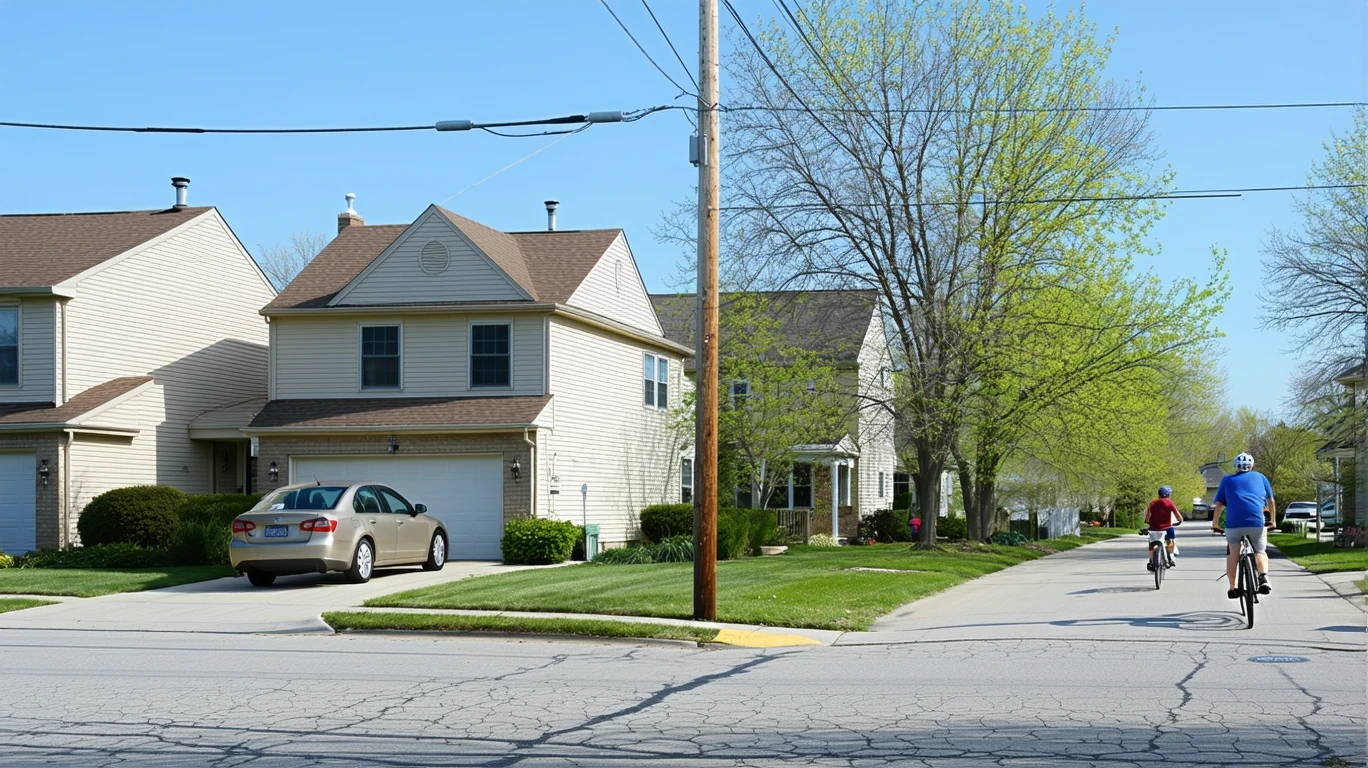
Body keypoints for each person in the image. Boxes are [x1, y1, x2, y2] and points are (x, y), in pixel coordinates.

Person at [1211, 452, 1275, 599]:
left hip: (1234, 525)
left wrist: (1215, 524)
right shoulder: (1260, 477)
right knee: (1259, 551)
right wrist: (1273, 520)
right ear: (1251, 465)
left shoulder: (1227, 480)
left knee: (1234, 553)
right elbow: (1270, 500)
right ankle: (1263, 577)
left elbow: (1219, 504)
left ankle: (1233, 587)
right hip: (1256, 523)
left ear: (1235, 466)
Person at [1144, 486, 1183, 570]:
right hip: (1167, 528)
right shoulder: (1169, 502)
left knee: (1151, 544)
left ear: (1159, 494)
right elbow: (1177, 515)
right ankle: (1170, 557)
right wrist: (1180, 520)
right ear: (1169, 495)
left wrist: (1148, 522)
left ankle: (1151, 561)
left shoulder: (1152, 503)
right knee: (1171, 540)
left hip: (1154, 528)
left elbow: (1147, 517)